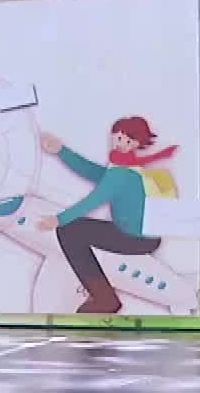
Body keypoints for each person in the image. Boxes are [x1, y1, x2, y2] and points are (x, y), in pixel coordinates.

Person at [36, 126, 163, 314]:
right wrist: (61, 151)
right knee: (73, 230)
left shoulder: (122, 173)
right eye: (118, 138)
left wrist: (59, 219)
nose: (119, 144)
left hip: (138, 238)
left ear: (135, 144)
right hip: (140, 233)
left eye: (127, 141)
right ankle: (103, 296)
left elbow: (94, 199)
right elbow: (93, 172)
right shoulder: (127, 168)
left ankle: (104, 299)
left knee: (69, 231)